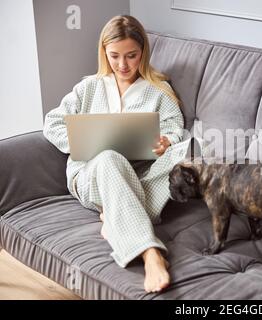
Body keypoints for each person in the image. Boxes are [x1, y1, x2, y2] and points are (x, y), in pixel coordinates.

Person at [43, 15, 190, 293]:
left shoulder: (159, 90)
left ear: (143, 53)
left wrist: (166, 141)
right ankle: (150, 253)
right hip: (91, 175)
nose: (123, 65)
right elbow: (52, 122)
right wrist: (78, 143)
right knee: (108, 157)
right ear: (104, 53)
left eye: (131, 56)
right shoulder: (89, 87)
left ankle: (113, 213)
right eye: (114, 56)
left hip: (140, 174)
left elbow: (175, 127)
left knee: (190, 149)